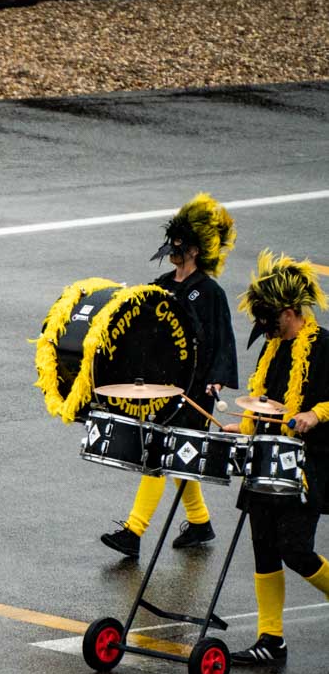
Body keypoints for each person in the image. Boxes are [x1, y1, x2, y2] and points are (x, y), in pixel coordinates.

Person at [101, 193, 238, 558]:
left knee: (160, 454)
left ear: (193, 250)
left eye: (178, 247)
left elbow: (224, 338)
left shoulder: (211, 292)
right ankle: (199, 523)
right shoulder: (163, 282)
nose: (172, 252)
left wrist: (218, 378)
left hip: (197, 388)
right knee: (180, 456)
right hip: (164, 385)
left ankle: (133, 532)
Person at [223, 252, 329, 667]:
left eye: (271, 319)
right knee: (264, 548)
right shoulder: (272, 348)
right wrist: (245, 426)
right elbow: (262, 402)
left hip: (311, 460)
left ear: (290, 311)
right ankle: (271, 639)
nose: (265, 329)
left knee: (296, 549)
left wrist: (316, 413)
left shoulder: (324, 346)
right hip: (267, 457)